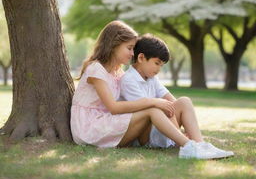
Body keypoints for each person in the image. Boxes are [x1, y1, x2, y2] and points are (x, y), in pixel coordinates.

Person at [70, 20, 233, 159]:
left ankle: (200, 145)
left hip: (110, 122)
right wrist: (154, 101)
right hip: (91, 127)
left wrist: (171, 114)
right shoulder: (96, 70)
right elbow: (113, 107)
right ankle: (189, 147)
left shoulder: (118, 72)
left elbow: (168, 101)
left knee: (182, 102)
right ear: (113, 45)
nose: (132, 53)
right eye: (129, 48)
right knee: (153, 109)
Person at [120, 34, 234, 159]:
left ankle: (199, 145)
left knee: (184, 101)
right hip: (143, 135)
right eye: (156, 63)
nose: (159, 69)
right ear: (141, 57)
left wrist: (182, 126)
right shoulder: (128, 79)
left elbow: (171, 100)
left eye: (161, 65)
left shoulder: (152, 78)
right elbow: (142, 108)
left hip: (160, 127)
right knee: (156, 107)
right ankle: (186, 145)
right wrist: (175, 127)